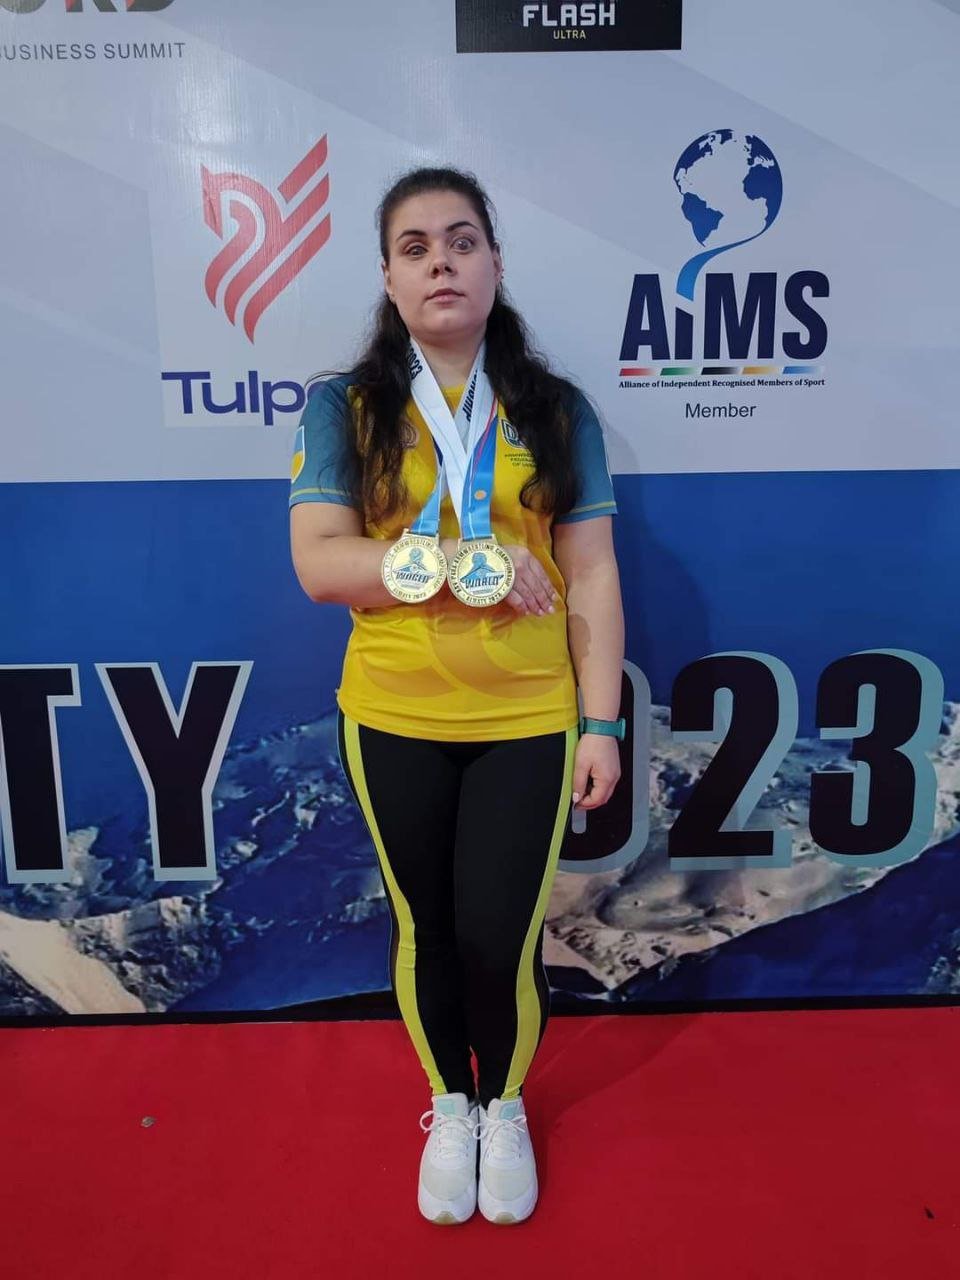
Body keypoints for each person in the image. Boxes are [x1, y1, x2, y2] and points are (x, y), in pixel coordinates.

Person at [289, 166, 625, 1225]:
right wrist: (452, 563)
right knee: (423, 928)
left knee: (498, 935)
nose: (442, 262)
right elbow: (319, 563)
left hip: (527, 717)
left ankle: (504, 1104)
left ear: (496, 264)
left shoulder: (555, 410)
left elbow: (594, 573)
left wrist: (602, 720)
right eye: (417, 247)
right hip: (393, 713)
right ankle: (450, 1102)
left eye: (462, 240)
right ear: (389, 278)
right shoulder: (345, 407)